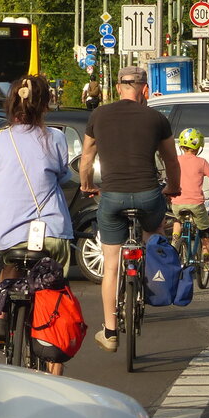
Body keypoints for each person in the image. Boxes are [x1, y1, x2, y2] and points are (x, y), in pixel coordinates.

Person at [79, 65, 181, 353]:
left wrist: (87, 185)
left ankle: (110, 331)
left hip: (112, 198)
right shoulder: (157, 118)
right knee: (154, 230)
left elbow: (87, 158)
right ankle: (152, 271)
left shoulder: (99, 116)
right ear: (145, 89)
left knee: (111, 264)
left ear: (118, 88)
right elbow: (171, 161)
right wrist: (173, 188)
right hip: (148, 196)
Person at [0, 75, 74, 375]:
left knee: (10, 263)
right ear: (45, 104)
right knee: (55, 287)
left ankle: (0, 317)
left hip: (8, 232)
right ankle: (55, 361)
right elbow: (63, 174)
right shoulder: (55, 138)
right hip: (51, 231)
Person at [168, 127, 209, 272]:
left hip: (177, 203)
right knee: (205, 230)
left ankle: (175, 241)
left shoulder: (176, 160)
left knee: (177, 220)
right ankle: (207, 261)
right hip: (196, 204)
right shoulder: (202, 162)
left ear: (181, 146)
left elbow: (168, 179)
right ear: (199, 147)